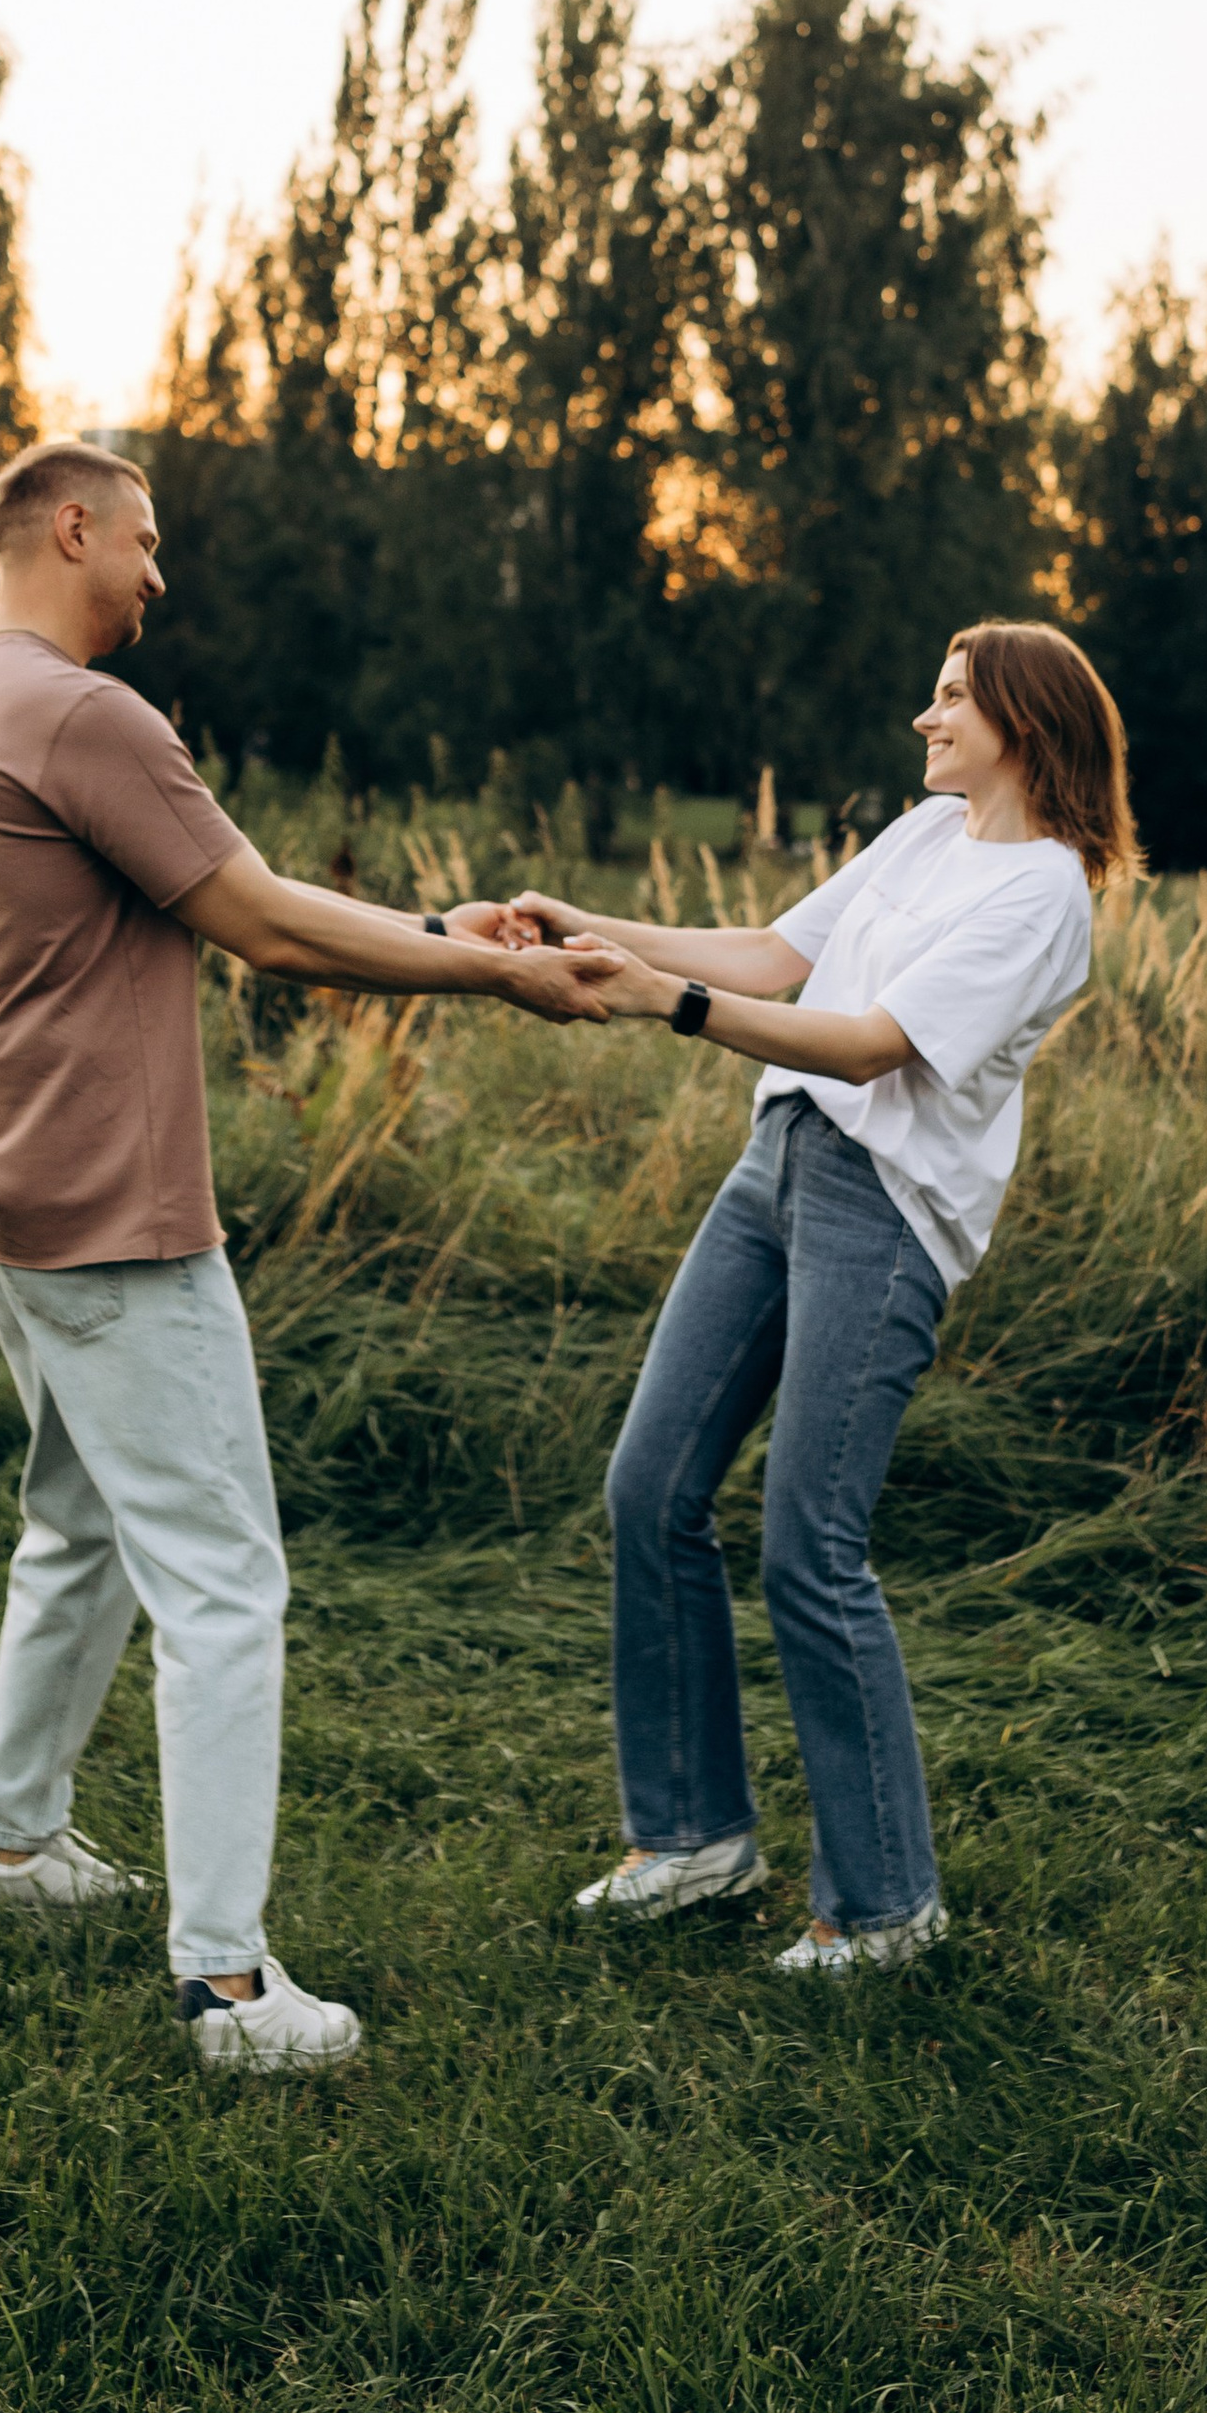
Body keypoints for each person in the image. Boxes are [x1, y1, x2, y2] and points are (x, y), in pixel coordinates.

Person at [0, 435, 607, 2072]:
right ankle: (228, 1990)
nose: (160, 576)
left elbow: (236, 898)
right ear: (67, 528)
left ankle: (8, 1848)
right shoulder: (90, 714)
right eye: (144, 543)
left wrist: (447, 932)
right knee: (225, 1582)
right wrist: (496, 976)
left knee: (78, 1523)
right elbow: (270, 923)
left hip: (5, 1189)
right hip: (110, 1214)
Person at [483, 622, 1136, 1975]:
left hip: (883, 1210)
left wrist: (667, 1008)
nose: (924, 719)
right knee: (649, 1487)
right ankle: (691, 1840)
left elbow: (872, 1044)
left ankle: (888, 1908)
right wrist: (593, 930)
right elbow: (778, 955)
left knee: (810, 1545)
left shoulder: (1045, 897)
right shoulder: (924, 837)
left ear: (1020, 718)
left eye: (950, 699)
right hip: (773, 1166)